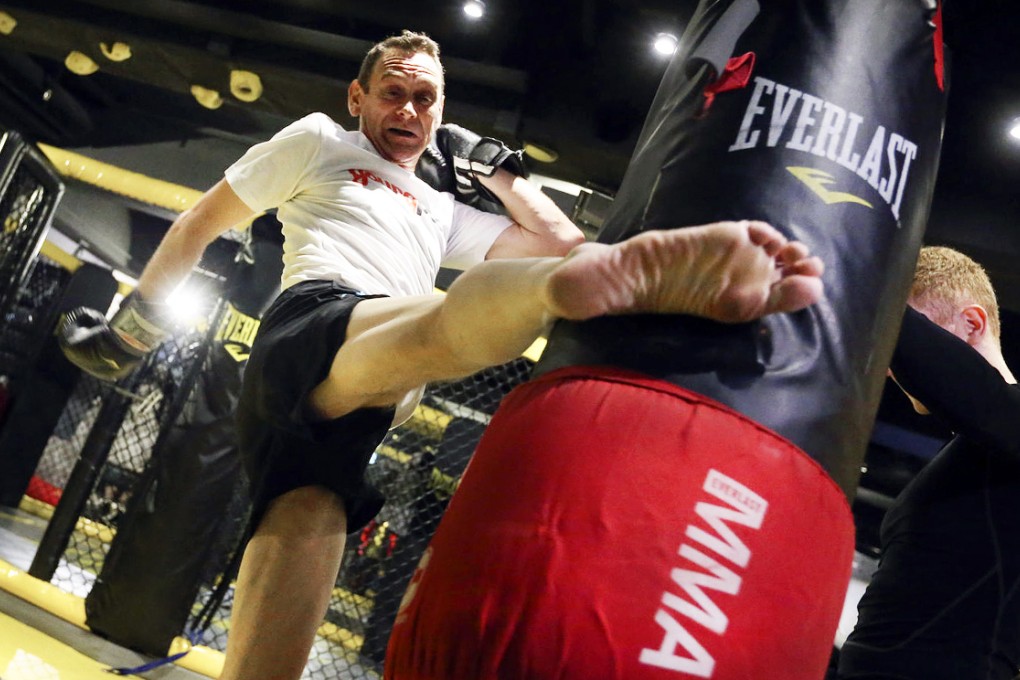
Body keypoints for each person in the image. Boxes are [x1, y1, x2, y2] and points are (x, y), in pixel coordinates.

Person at [60, 30, 825, 680]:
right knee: (437, 324)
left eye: (427, 100)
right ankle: (575, 290)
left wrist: (496, 168)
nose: (409, 111)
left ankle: (567, 286)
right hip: (311, 326)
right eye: (393, 93)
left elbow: (557, 239)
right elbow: (199, 220)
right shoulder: (321, 141)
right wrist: (137, 327)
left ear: (443, 114)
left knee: (297, 544)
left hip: (365, 403)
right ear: (358, 98)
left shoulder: (439, 208)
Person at [838, 246, 1020, 679]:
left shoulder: (1009, 420)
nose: (885, 366)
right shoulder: (978, 451)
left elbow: (954, 378)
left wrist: (844, 257)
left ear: (972, 323)